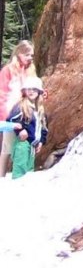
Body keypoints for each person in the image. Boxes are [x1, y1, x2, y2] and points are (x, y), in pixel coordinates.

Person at [0, 40, 35, 178]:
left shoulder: (30, 70)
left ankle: (22, 174)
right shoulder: (8, 70)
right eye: (27, 55)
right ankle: (2, 176)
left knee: (24, 143)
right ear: (19, 53)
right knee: (7, 147)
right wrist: (4, 116)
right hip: (11, 113)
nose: (30, 58)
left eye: (32, 55)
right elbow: (2, 93)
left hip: (26, 112)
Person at [6, 75, 47, 179]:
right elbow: (11, 119)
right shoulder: (21, 106)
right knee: (20, 170)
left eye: (34, 89)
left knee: (29, 172)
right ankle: (17, 187)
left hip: (33, 145)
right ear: (24, 91)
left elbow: (43, 128)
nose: (31, 91)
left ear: (39, 92)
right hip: (23, 144)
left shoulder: (39, 110)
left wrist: (41, 141)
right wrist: (20, 130)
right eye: (28, 89)